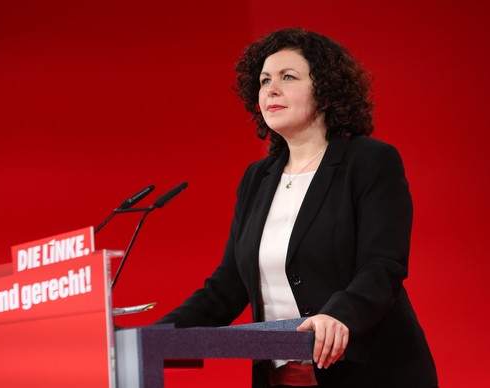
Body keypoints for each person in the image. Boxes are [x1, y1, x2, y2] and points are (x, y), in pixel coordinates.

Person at [157, 28, 438, 388]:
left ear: (324, 90)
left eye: (288, 77)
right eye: (264, 81)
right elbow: (226, 288)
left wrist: (335, 316)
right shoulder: (257, 178)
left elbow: (382, 266)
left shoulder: (369, 161)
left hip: (368, 371)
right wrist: (152, 336)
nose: (270, 89)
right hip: (280, 376)